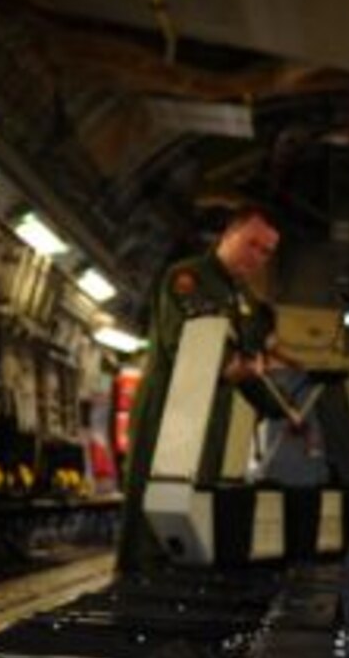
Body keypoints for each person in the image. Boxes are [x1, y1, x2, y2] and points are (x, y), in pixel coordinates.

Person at [117, 204, 284, 572]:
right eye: (252, 243)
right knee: (150, 516)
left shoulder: (243, 298)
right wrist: (236, 366)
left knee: (191, 515)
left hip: (209, 425)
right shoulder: (188, 277)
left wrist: (284, 410)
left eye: (266, 252)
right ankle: (132, 587)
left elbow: (250, 359)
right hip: (169, 416)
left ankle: (175, 591)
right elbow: (184, 344)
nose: (257, 256)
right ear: (229, 234)